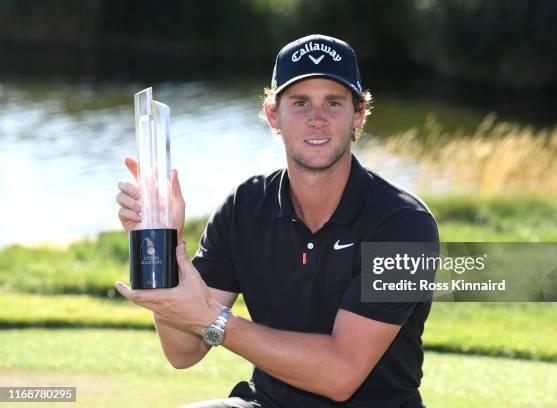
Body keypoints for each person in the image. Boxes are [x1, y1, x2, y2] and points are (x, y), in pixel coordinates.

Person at [115, 34, 438, 408]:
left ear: (358, 113)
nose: (317, 120)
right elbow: (183, 351)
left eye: (333, 102)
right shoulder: (245, 207)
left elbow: (341, 374)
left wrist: (217, 321)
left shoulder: (405, 226)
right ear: (274, 114)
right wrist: (160, 245)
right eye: (300, 103)